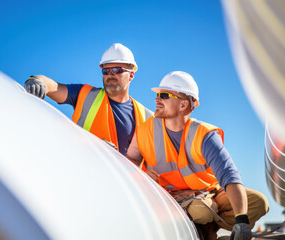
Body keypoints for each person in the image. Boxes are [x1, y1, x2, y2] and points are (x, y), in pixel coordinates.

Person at [126, 71, 268, 240]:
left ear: (183, 105)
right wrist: (142, 175)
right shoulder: (144, 130)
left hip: (208, 193)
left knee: (258, 202)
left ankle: (211, 224)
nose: (157, 99)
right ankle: (206, 227)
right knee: (201, 210)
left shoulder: (204, 135)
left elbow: (229, 175)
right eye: (157, 95)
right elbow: (129, 162)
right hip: (169, 199)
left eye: (163, 95)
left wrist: (242, 221)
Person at [24, 43, 153, 156]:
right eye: (106, 71)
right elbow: (54, 87)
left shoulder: (148, 118)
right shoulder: (85, 94)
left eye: (117, 70)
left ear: (131, 75)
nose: (110, 75)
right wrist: (38, 80)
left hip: (122, 181)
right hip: (85, 174)